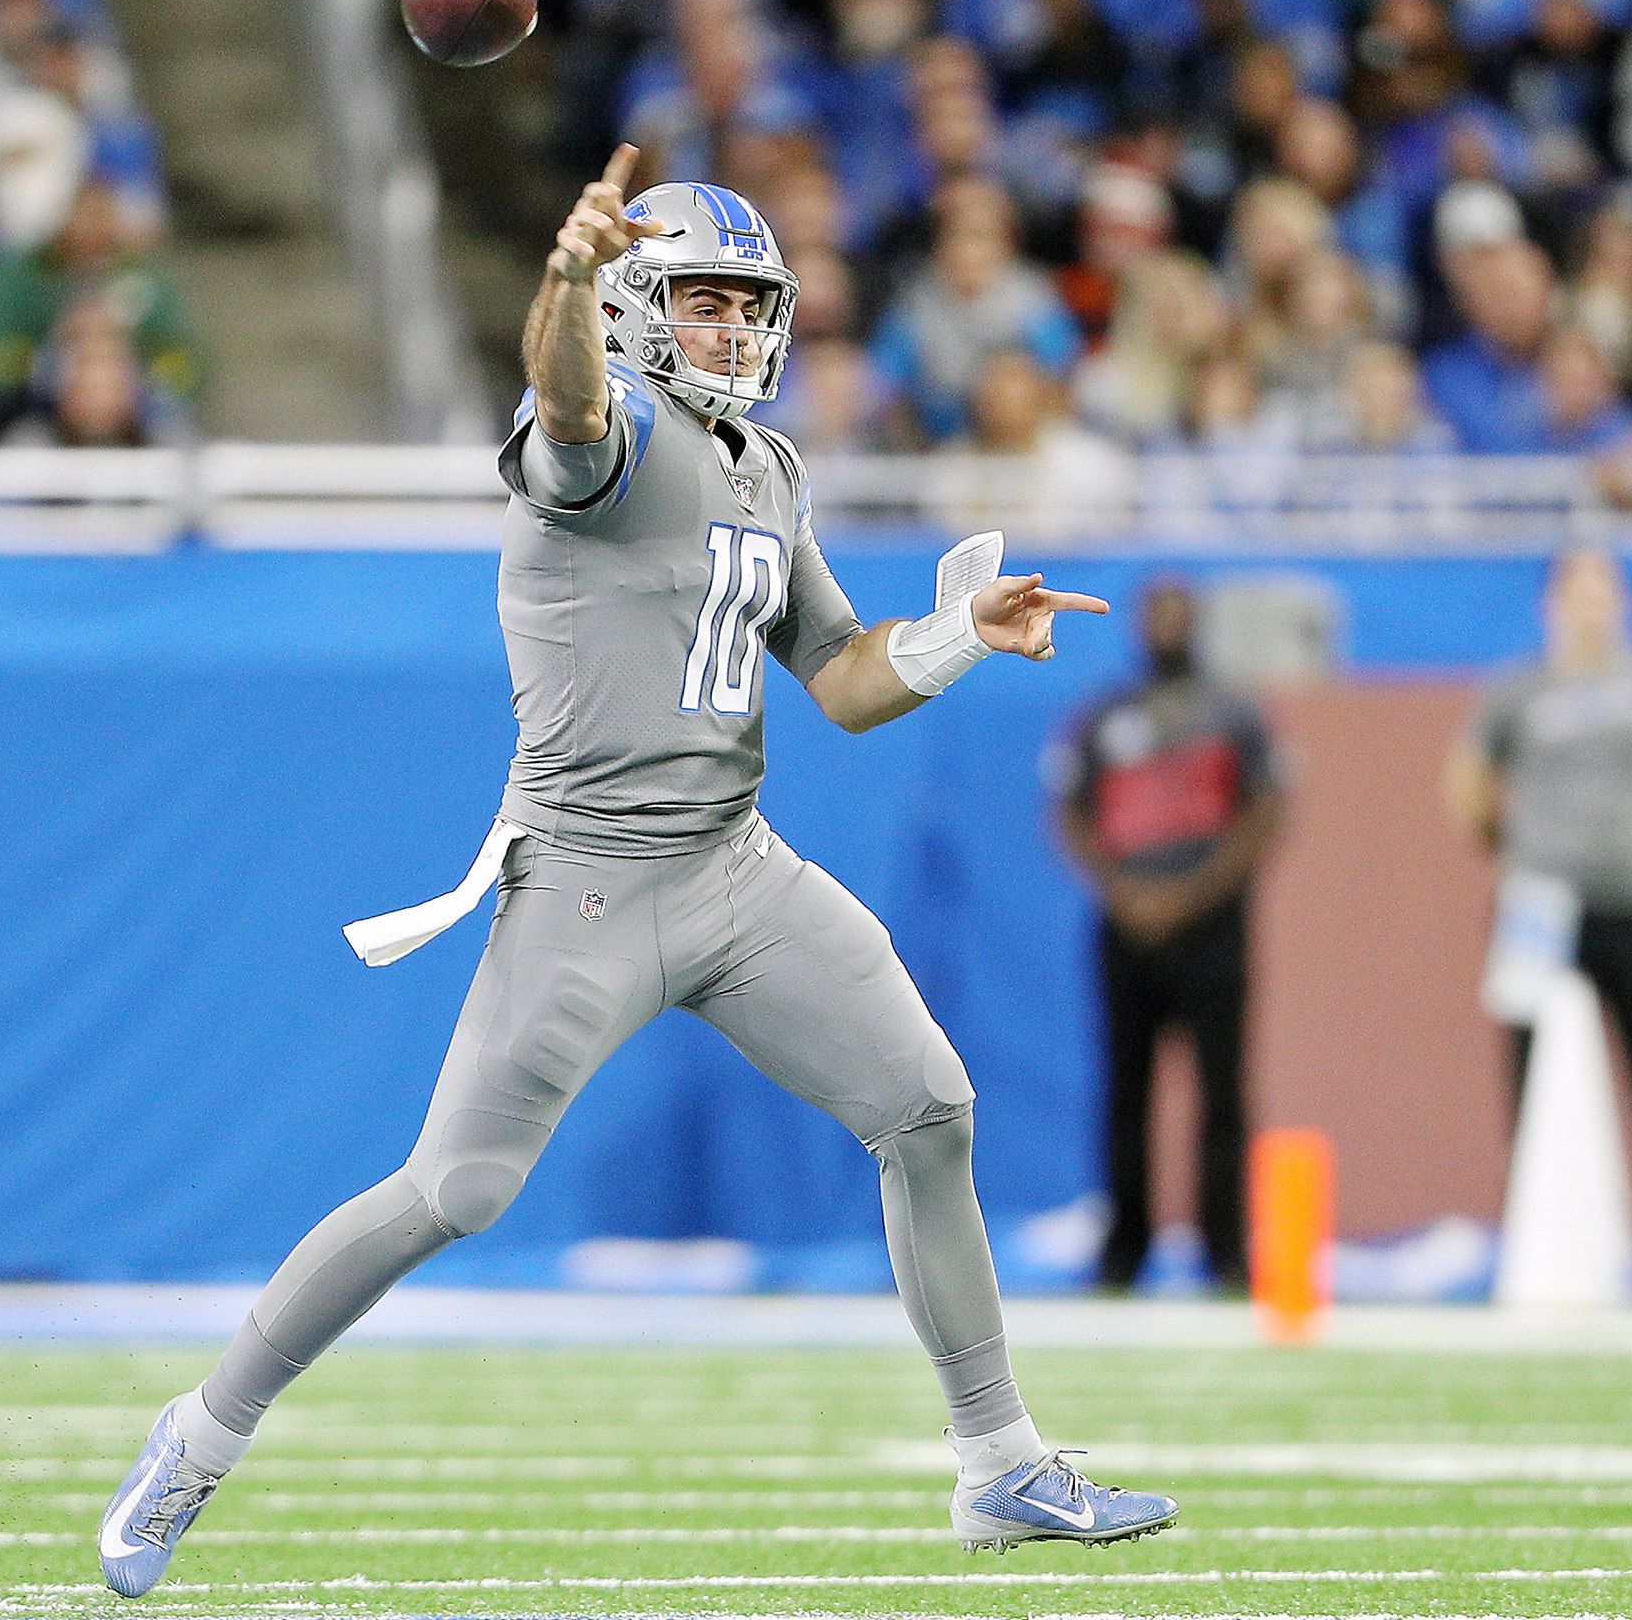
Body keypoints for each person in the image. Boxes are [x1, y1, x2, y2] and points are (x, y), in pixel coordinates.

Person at [96, 147, 1176, 1599]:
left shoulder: (766, 466)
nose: (737, 331)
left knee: (929, 1110)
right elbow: (567, 399)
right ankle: (202, 1431)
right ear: (630, 308)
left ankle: (1000, 1465)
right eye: (706, 303)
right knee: (454, 1193)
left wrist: (962, 630)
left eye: (752, 305)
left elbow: (844, 686)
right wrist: (562, 278)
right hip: (589, 884)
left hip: (736, 869)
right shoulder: (600, 439)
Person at [1444, 544, 1632, 1296]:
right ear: (1552, 603)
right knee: (1532, 1089)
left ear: (1623, 602)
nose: (1590, 603)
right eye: (1577, 589)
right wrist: (1520, 852)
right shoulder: (1517, 689)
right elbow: (1470, 787)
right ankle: (1537, 1255)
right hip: (1539, 909)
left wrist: (1631, 843)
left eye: (1603, 589)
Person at [1049, 579, 1284, 1292]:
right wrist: (1126, 893)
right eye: (1158, 614)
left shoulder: (1235, 715)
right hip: (1127, 931)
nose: (1169, 627)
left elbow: (1266, 813)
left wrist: (1188, 895)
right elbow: (1069, 812)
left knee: (1223, 1095)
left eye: (1180, 614)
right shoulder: (1103, 717)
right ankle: (1125, 1249)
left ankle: (1226, 1251)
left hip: (1214, 930)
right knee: (1127, 1092)